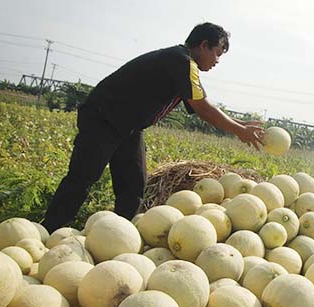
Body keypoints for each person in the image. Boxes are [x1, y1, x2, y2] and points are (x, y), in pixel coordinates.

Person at [43, 23, 264, 232]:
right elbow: (202, 108)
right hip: (104, 117)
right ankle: (51, 230)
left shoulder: (183, 64)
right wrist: (239, 131)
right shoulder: (181, 61)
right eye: (217, 53)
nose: (217, 61)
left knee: (133, 186)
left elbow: (202, 104)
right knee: (82, 177)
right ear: (203, 45)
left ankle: (120, 235)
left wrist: (242, 125)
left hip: (128, 126)